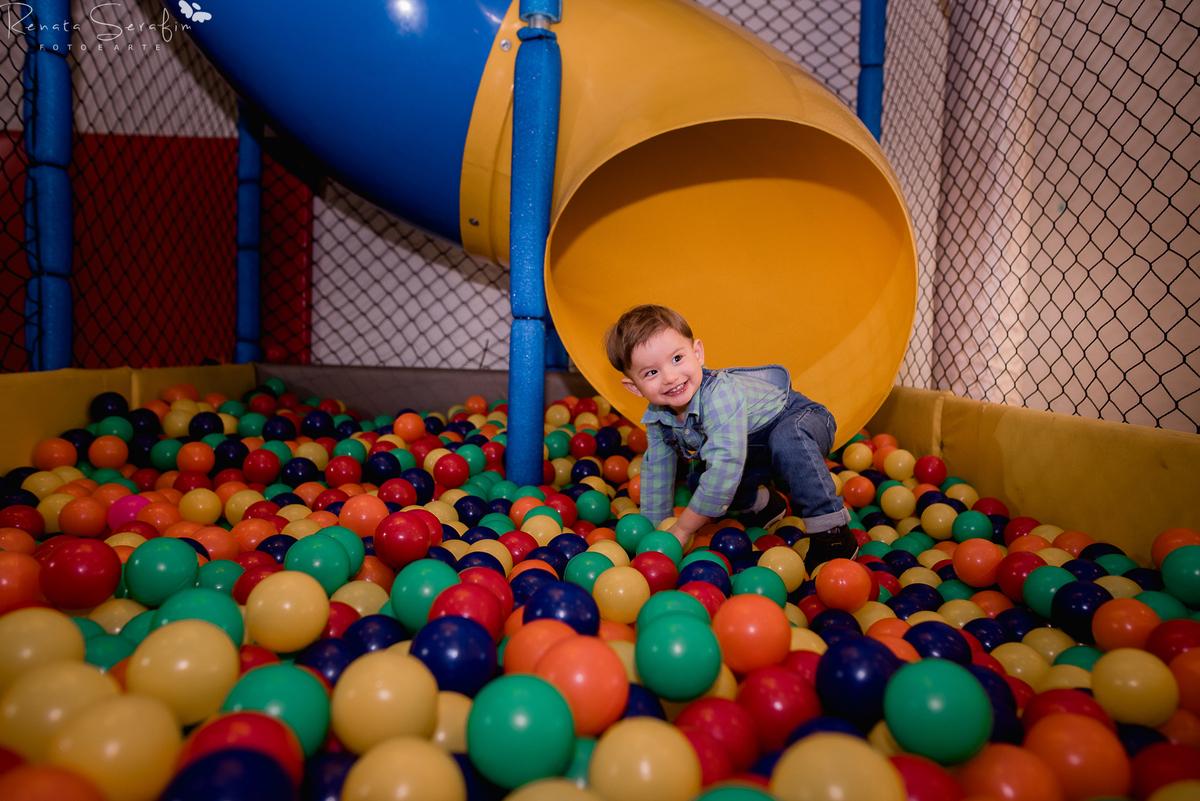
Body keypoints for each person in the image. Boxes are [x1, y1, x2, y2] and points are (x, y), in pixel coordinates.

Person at [604, 304, 856, 573]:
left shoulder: (719, 395)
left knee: (781, 440)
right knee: (698, 481)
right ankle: (765, 504)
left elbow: (725, 468)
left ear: (697, 353)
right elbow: (657, 472)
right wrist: (655, 539)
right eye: (651, 373)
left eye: (677, 358)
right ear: (634, 387)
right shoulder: (658, 418)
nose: (670, 377)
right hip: (755, 450)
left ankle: (833, 532)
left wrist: (682, 529)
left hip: (802, 420)